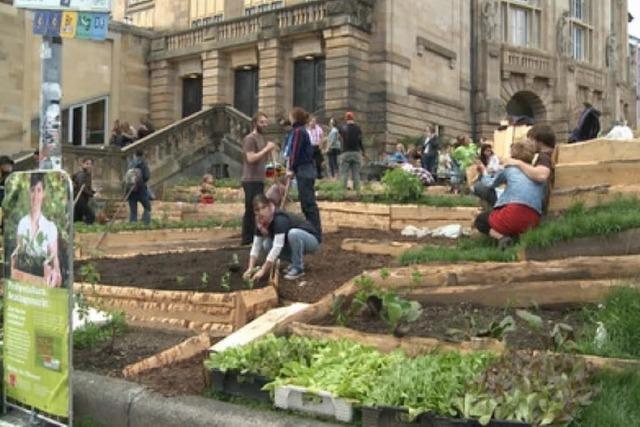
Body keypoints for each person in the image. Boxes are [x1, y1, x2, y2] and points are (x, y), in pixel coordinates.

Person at [473, 138, 545, 249]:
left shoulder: (510, 169)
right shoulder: (536, 173)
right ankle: (516, 237)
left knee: (480, 221)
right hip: (534, 218)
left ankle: (502, 238)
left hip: (513, 213)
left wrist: (483, 171)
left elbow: (489, 184)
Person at [244, 194, 321, 281]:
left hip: (312, 241)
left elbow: (278, 246)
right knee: (267, 244)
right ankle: (294, 261)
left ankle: (298, 268)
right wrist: (250, 269)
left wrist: (263, 270)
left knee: (293, 234)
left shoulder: (279, 219)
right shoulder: (260, 222)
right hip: (295, 242)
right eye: (257, 210)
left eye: (263, 207)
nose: (261, 212)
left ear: (269, 206)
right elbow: (256, 246)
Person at [11, 173, 62, 287]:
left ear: (43, 194)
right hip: (24, 281)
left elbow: (54, 259)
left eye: (39, 190)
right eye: (33, 190)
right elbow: (19, 254)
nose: (35, 195)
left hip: (42, 283)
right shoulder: (22, 223)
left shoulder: (50, 227)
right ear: (29, 193)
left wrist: (55, 275)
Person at [241, 112, 277, 245]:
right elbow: (250, 158)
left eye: (266, 122)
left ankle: (256, 237)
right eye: (262, 122)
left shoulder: (262, 138)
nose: (265, 125)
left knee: (259, 208)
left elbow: (262, 159)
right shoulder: (250, 139)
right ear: (255, 123)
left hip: (259, 178)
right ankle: (246, 239)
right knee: (251, 209)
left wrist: (268, 151)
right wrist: (266, 149)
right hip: (250, 179)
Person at [287, 107, 322, 233]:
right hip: (307, 170)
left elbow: (295, 151)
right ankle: (312, 227)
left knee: (308, 203)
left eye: (290, 116)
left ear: (295, 117)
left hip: (304, 170)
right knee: (307, 202)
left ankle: (314, 229)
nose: (289, 118)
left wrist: (291, 168)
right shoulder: (302, 131)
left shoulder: (298, 132)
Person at [339, 112, 365, 192]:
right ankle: (358, 192)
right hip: (356, 153)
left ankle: (343, 192)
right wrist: (363, 151)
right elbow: (360, 141)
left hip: (346, 153)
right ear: (353, 118)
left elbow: (340, 138)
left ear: (346, 118)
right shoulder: (358, 128)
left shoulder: (342, 128)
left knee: (344, 173)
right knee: (356, 174)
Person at [126, 149, 152, 224]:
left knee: (133, 211)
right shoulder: (143, 164)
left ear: (134, 154)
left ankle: (132, 226)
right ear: (143, 155)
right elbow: (147, 176)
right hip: (141, 190)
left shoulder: (130, 164)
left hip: (131, 191)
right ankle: (145, 223)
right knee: (147, 207)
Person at [73, 158, 96, 224]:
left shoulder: (87, 174)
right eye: (87, 164)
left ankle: (78, 231)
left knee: (77, 218)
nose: (89, 165)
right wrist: (91, 194)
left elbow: (86, 187)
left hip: (83, 199)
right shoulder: (82, 174)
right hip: (79, 199)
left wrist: (93, 192)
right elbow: (82, 187)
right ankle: (86, 228)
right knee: (91, 216)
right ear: (83, 164)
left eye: (90, 164)